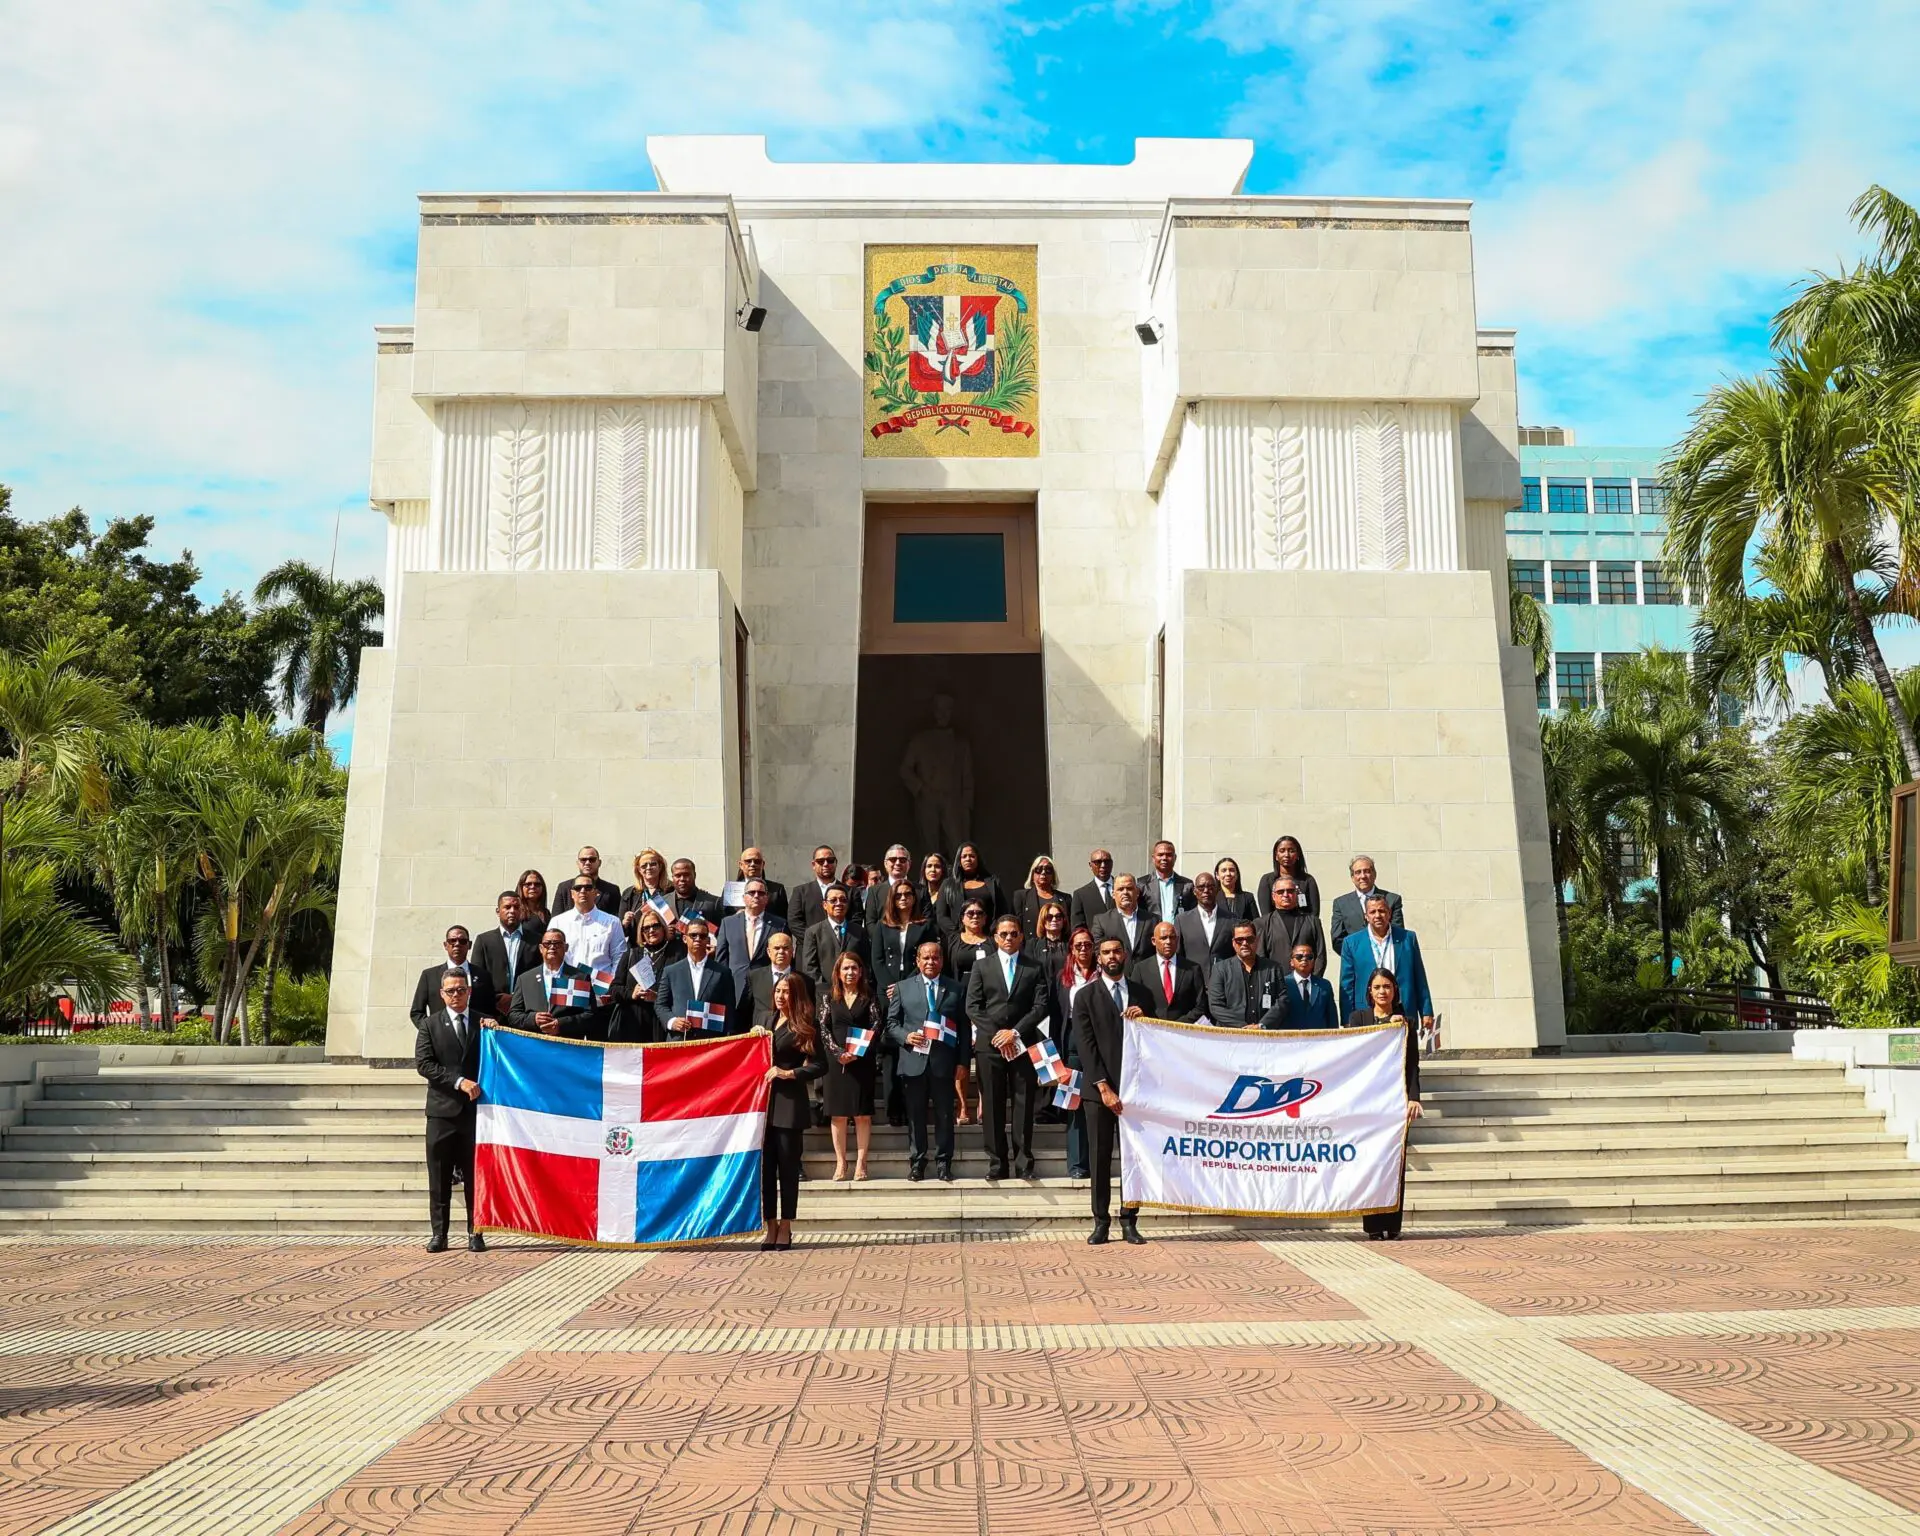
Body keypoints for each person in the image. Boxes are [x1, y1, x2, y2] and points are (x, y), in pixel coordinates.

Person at [964, 914, 1049, 1180]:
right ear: (995, 937)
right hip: (990, 1046)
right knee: (992, 1104)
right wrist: (998, 1035)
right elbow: (973, 1006)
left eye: (1014, 933)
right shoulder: (982, 966)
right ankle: (997, 1163)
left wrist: (1014, 1033)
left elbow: (1041, 1006)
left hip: (1022, 1043)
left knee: (1023, 1104)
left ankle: (1024, 1163)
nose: (1009, 938)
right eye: (1003, 934)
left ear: (1022, 936)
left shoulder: (1034, 967)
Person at [1073, 935, 1145, 1246]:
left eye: (1116, 950)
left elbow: (1159, 1037)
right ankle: (1101, 1221)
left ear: (1125, 955)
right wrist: (1103, 1087)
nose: (1111, 956)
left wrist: (1147, 1019)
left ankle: (1130, 1221)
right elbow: (1086, 1047)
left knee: (1133, 1160)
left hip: (1136, 1092)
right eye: (1105, 952)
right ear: (1098, 958)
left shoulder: (1142, 994)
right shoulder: (1085, 996)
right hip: (1099, 1092)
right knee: (1100, 1158)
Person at [1346, 967, 1424, 1239]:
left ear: (1394, 991)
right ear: (1370, 991)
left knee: (1395, 1163)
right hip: (1367, 1104)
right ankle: (1373, 1226)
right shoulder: (1358, 1018)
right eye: (1377, 987)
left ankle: (1393, 1225)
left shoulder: (1405, 1023)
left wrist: (1414, 1097)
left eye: (1387, 987)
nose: (1382, 992)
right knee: (1370, 1163)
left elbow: (1413, 1064)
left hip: (1395, 1103)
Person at [415, 969, 485, 1253]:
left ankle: (476, 1232)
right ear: (441, 995)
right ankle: (439, 1234)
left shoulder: (485, 1023)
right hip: (441, 1113)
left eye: (461, 989)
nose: (456, 995)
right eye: (450, 991)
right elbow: (424, 1064)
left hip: (475, 1114)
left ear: (468, 991)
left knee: (474, 1177)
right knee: (439, 1177)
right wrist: (458, 1082)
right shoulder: (429, 1025)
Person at [885, 940, 965, 1181]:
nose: (931, 962)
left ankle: (943, 1163)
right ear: (917, 961)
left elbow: (963, 1028)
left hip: (943, 1062)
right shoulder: (902, 988)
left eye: (935, 958)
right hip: (913, 1062)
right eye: (926, 958)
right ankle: (918, 1162)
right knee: (915, 1116)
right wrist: (906, 1036)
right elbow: (891, 1024)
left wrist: (962, 1063)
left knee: (944, 1115)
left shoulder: (956, 989)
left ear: (942, 960)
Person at [761, 972, 825, 1251]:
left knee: (787, 1169)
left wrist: (790, 1073)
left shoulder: (806, 1024)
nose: (780, 996)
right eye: (778, 990)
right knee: (766, 1171)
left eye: (786, 991)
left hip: (789, 1104)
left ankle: (786, 1226)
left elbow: (820, 1065)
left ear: (795, 995)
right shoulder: (766, 1020)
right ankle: (770, 1226)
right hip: (764, 1105)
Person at [871, 878, 933, 1128]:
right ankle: (892, 1108)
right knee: (889, 1053)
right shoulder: (882, 926)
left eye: (908, 894)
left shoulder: (925, 926)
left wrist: (903, 987)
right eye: (899, 895)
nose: (904, 899)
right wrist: (891, 987)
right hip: (887, 995)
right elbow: (876, 960)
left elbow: (925, 959)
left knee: (910, 1049)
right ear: (892, 900)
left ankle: (911, 1108)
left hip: (912, 993)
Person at [821, 950, 881, 1181]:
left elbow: (876, 1025)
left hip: (861, 1061)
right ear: (838, 971)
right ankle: (841, 1163)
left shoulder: (869, 997)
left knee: (862, 1115)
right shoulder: (829, 998)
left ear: (861, 971)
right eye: (845, 968)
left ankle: (861, 1164)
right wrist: (837, 1052)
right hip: (836, 1063)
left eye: (854, 968)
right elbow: (823, 1027)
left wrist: (857, 1052)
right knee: (838, 1115)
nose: (850, 972)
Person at [1337, 893, 1435, 1028]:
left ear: (1389, 913)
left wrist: (1426, 1011)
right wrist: (1346, 1018)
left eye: (1381, 911)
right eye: (1372, 912)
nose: (1377, 915)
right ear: (1366, 916)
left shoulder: (1407, 938)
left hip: (1403, 1009)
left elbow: (1419, 977)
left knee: (1406, 1049)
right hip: (1367, 1013)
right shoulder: (1351, 943)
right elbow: (1347, 984)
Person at [1053, 926, 1100, 1179]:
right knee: (1073, 1104)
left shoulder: (1104, 974)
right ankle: (1077, 1165)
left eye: (1088, 944)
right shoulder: (1063, 977)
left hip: (1100, 1041)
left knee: (1099, 1104)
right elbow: (1054, 1016)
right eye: (1078, 945)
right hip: (1071, 1041)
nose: (1083, 949)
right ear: (1071, 949)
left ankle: (1097, 1161)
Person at [945, 898, 996, 1125]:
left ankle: (984, 1104)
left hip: (987, 1007)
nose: (975, 917)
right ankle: (962, 1105)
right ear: (962, 917)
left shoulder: (992, 942)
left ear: (986, 918)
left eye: (979, 913)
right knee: (961, 1056)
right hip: (958, 1003)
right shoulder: (953, 941)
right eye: (970, 913)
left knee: (984, 1057)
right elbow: (946, 969)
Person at [654, 916, 742, 1037]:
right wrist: (672, 1021)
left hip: (710, 1043)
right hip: (679, 1040)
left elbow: (729, 1010)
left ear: (708, 940)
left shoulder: (723, 972)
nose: (698, 939)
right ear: (685, 939)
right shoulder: (671, 971)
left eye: (702, 936)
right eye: (693, 935)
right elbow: (660, 1005)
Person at [509, 927, 596, 1038]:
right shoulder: (525, 979)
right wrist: (533, 1019)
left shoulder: (579, 977)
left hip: (566, 1046)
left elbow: (590, 1015)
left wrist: (561, 1025)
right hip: (534, 1045)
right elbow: (513, 1015)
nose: (552, 947)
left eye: (557, 943)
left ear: (566, 947)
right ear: (541, 948)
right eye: (547, 943)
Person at [610, 910, 684, 1040]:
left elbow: (682, 993)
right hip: (632, 1022)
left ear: (663, 927)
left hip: (660, 1023)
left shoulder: (677, 955)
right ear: (641, 932)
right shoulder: (631, 954)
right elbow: (614, 989)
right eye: (646, 928)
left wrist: (658, 997)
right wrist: (632, 993)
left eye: (655, 926)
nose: (651, 930)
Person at [714, 877, 787, 1000]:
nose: (756, 896)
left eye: (761, 893)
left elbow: (784, 960)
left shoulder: (779, 925)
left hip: (766, 990)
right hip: (735, 988)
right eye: (751, 892)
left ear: (767, 898)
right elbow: (721, 960)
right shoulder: (728, 923)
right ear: (744, 898)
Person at [410, 925, 496, 1028]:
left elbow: (491, 1010)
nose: (457, 944)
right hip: (441, 1040)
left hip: (475, 1038)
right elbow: (417, 1012)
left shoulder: (483, 976)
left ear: (469, 945)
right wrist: (432, 1031)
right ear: (445, 945)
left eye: (462, 941)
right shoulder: (429, 976)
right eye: (452, 941)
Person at [1206, 923, 1289, 1028]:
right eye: (1239, 940)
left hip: (1265, 1034)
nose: (1244, 943)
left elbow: (1282, 1000)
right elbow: (1216, 1006)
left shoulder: (1273, 968)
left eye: (1249, 939)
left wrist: (1261, 1025)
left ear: (1256, 940)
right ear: (1233, 943)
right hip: (1232, 1035)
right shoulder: (1220, 969)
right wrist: (1243, 1027)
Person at [472, 892, 537, 1017]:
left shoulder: (535, 940)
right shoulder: (484, 940)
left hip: (525, 1011)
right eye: (507, 907)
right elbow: (477, 979)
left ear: (522, 911)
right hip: (492, 1012)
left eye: (516, 907)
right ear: (498, 911)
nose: (512, 911)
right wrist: (497, 999)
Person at [800, 882, 870, 996]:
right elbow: (810, 968)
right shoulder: (813, 932)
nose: (839, 903)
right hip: (825, 995)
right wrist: (826, 990)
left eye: (843, 900)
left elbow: (866, 964)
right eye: (833, 900)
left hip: (854, 993)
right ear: (824, 905)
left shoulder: (859, 932)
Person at [1129, 921, 1205, 1023]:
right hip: (1152, 1031)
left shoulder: (1193, 969)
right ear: (1153, 941)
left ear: (1177, 940)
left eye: (1172, 937)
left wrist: (1179, 1026)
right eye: (1163, 938)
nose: (1168, 941)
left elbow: (1201, 1005)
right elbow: (1134, 1002)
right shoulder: (1140, 969)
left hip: (1184, 1032)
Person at [1328, 855, 1404, 953]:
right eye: (1358, 872)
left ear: (1374, 874)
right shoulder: (1341, 903)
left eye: (1367, 871)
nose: (1363, 876)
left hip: (1387, 960)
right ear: (1352, 877)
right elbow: (1337, 940)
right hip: (1356, 962)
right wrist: (1358, 956)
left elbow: (1398, 933)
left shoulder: (1392, 899)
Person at [552, 875, 627, 972]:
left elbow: (619, 957)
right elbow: (552, 956)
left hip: (601, 985)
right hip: (569, 983)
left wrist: (612, 983)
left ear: (596, 893)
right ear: (572, 894)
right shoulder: (558, 922)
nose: (583, 891)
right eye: (578, 888)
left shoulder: (612, 922)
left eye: (588, 888)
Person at [1257, 876, 1326, 975]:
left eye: (1290, 891)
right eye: (1280, 892)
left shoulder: (1312, 921)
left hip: (1306, 983)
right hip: (1276, 983)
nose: (1285, 895)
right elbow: (1261, 957)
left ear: (1296, 894)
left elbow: (1320, 955)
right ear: (1273, 896)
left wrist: (1313, 981)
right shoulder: (1262, 923)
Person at [937, 842, 1008, 935]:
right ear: (959, 861)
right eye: (964, 856)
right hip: (959, 939)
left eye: (972, 856)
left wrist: (992, 932)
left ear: (978, 859)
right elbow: (941, 916)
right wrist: (958, 935)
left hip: (988, 938)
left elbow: (1002, 911)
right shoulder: (948, 884)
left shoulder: (993, 883)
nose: (968, 859)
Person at [1176, 872, 1236, 982]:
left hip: (1224, 983)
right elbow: (1178, 955)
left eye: (1210, 887)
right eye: (1201, 887)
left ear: (1217, 889)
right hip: (1193, 985)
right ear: (1194, 891)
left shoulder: (1231, 920)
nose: (1206, 891)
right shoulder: (1182, 920)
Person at [1091, 874, 1154, 962]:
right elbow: (1098, 952)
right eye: (1120, 889)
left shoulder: (1153, 920)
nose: (1125, 892)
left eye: (1129, 888)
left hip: (1146, 974)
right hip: (1116, 974)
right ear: (1113, 894)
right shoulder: (1102, 921)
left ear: (1137, 892)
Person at [749, 930, 802, 1032]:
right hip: (761, 1035)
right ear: (769, 952)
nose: (781, 952)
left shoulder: (804, 980)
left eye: (785, 948)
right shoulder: (754, 976)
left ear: (792, 951)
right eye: (777, 948)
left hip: (791, 1036)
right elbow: (745, 1009)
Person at [1258, 836, 1322, 917]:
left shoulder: (1308, 880)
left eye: (1291, 851)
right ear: (1276, 855)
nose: (1287, 855)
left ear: (1298, 854)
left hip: (1304, 927)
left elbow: (1314, 913)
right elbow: (1266, 914)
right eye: (1282, 851)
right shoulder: (1267, 880)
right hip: (1275, 927)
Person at [1282, 941, 1340, 1029]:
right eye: (1299, 957)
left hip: (1319, 1039)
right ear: (1291, 962)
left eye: (1309, 957)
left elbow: (1332, 1018)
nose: (1304, 959)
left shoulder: (1324, 985)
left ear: (1313, 961)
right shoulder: (1283, 984)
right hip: (1291, 1039)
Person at [620, 848, 675, 938]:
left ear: (660, 866)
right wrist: (625, 923)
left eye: (653, 864)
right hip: (638, 947)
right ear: (638, 869)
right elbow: (621, 932)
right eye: (644, 866)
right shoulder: (629, 893)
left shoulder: (672, 890)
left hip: (666, 946)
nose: (648, 868)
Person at [790, 846, 842, 933]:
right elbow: (794, 922)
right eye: (821, 861)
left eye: (830, 860)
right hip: (809, 945)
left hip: (843, 945)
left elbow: (855, 922)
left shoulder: (851, 892)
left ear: (836, 862)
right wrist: (814, 941)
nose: (826, 864)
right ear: (813, 865)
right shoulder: (800, 892)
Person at [554, 846, 619, 916]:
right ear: (578, 863)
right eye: (583, 859)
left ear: (599, 863)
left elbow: (616, 920)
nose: (587, 863)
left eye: (592, 859)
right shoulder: (564, 888)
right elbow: (556, 919)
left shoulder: (612, 890)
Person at [730, 846, 789, 922]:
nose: (752, 864)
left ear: (763, 864)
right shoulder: (731, 889)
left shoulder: (777, 890)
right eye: (748, 861)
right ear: (741, 865)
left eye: (757, 861)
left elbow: (784, 919)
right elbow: (722, 917)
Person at [1140, 840, 1194, 922]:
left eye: (1168, 855)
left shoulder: (1187, 885)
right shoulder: (1142, 884)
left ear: (1175, 858)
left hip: (1179, 932)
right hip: (1152, 932)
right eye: (1160, 855)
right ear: (1153, 858)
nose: (1164, 858)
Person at [1013, 855, 1065, 937]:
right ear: (1032, 874)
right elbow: (1016, 926)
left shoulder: (1065, 898)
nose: (1043, 872)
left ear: (1053, 875)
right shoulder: (1021, 896)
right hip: (1031, 946)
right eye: (1039, 869)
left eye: (1048, 870)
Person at [863, 845, 915, 926]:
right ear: (885, 864)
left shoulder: (921, 890)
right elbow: (870, 923)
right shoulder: (874, 892)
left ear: (909, 864)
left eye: (902, 860)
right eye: (893, 859)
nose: (898, 863)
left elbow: (926, 921)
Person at [1069, 849, 1117, 934]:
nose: (1103, 865)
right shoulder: (1081, 895)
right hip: (1095, 945)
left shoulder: (1124, 889)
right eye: (1098, 862)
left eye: (1107, 861)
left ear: (1112, 863)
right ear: (1090, 865)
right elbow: (1078, 928)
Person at [667, 858, 724, 929]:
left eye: (686, 874)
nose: (682, 879)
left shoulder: (713, 902)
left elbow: (721, 932)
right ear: (672, 877)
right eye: (678, 875)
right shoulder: (664, 903)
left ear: (694, 875)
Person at [916, 851, 951, 935]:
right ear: (924, 870)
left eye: (937, 866)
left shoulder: (949, 893)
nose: (933, 870)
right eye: (929, 866)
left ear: (943, 870)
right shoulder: (917, 892)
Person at [1213, 857, 1258, 923]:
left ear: (1237, 874)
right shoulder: (1212, 898)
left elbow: (1256, 923)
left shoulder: (1248, 897)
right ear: (1217, 875)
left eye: (1231, 870)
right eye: (1224, 870)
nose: (1228, 874)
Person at [515, 869, 551, 937]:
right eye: (528, 884)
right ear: (521, 887)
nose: (532, 887)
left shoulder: (546, 913)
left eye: (537, 884)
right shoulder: (517, 913)